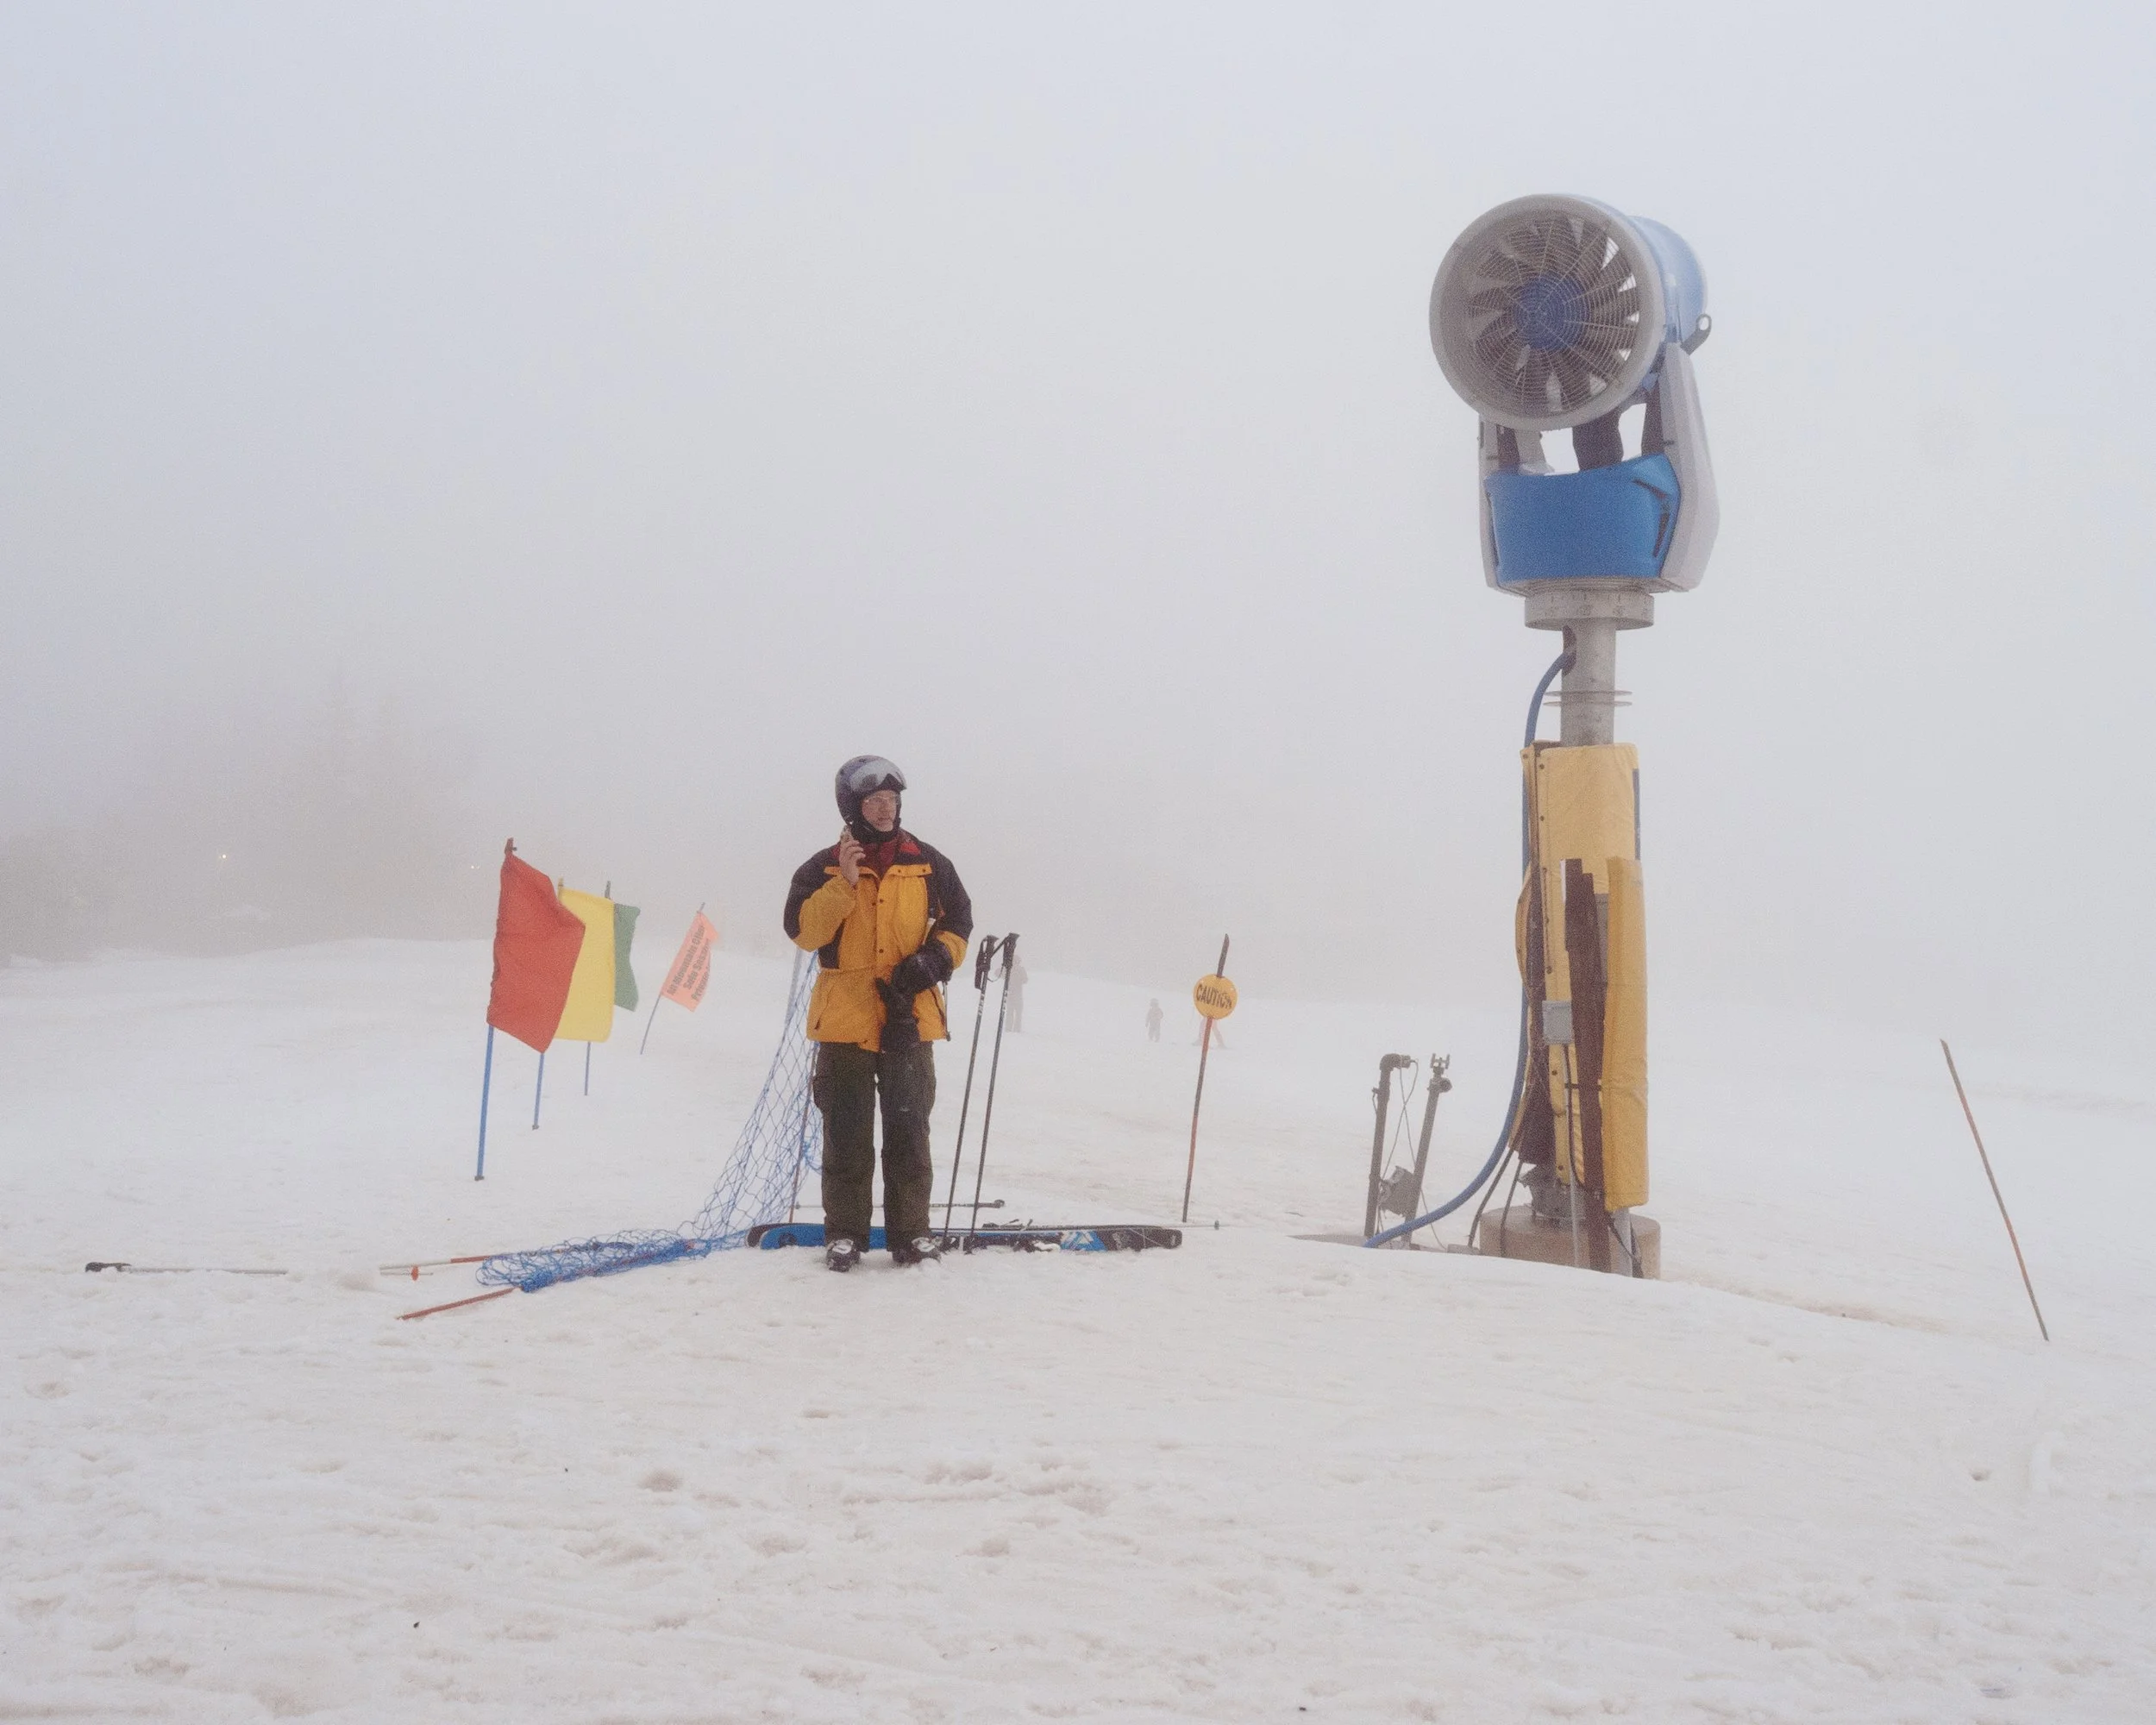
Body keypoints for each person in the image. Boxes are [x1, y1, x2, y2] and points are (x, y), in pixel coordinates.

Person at [784, 756, 973, 1272]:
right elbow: (805, 933)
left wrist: (935, 960)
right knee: (846, 1134)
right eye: (874, 801)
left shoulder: (930, 862)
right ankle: (844, 1234)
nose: (885, 810)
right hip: (844, 1024)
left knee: (910, 1132)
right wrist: (844, 882)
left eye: (891, 801)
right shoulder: (820, 867)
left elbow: (959, 921)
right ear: (853, 807)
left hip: (909, 1019)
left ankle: (912, 1235)